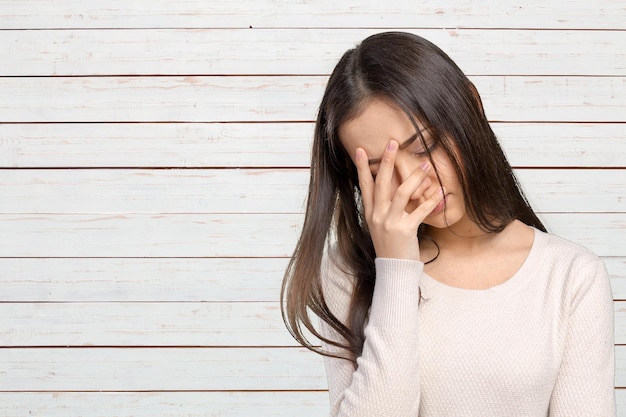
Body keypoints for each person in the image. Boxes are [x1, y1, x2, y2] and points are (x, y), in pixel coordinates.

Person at [280, 31, 615, 416]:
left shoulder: (570, 276)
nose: (413, 185)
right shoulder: (348, 273)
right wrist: (396, 268)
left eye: (423, 148)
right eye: (380, 171)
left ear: (471, 106)